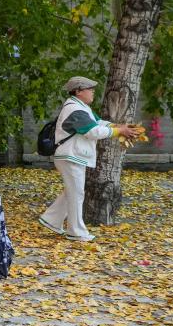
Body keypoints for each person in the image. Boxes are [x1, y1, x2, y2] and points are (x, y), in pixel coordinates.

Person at [38, 76, 138, 242]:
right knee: (77, 193)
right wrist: (119, 132)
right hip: (70, 156)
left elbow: (99, 123)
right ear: (78, 91)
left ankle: (51, 219)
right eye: (89, 89)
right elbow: (93, 132)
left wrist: (119, 127)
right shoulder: (75, 109)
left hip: (72, 156)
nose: (93, 92)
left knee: (73, 191)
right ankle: (76, 232)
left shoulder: (81, 107)